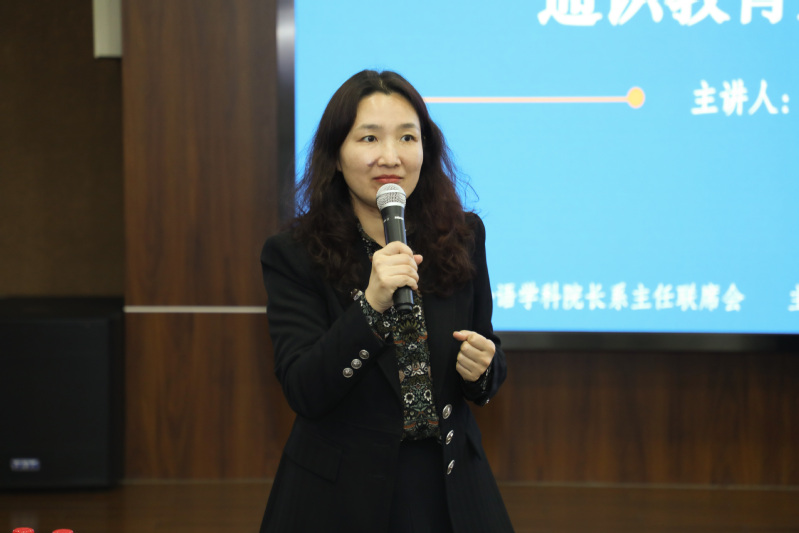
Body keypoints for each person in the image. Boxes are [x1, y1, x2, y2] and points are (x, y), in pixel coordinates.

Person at [259, 69, 514, 533]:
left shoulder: (462, 236)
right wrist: (371, 305)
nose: (391, 156)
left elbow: (485, 350)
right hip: (342, 494)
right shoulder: (295, 253)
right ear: (336, 156)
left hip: (451, 484)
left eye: (407, 138)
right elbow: (304, 389)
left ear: (425, 150)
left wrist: (484, 369)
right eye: (369, 138)